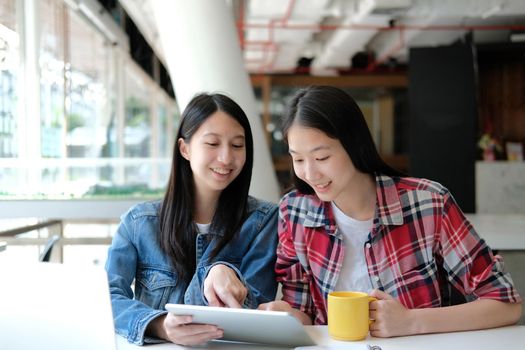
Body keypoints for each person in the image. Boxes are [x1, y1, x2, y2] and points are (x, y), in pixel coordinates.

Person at [259, 85, 522, 337]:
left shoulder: (428, 203)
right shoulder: (294, 212)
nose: (310, 173)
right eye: (298, 159)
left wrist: (411, 321)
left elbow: (505, 303)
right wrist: (289, 317)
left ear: (354, 144)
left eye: (321, 158)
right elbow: (305, 313)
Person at [106, 93, 278, 346]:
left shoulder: (263, 222)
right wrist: (161, 325)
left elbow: (256, 306)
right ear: (184, 149)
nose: (226, 158)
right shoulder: (138, 223)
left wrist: (221, 271)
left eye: (237, 145)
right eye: (212, 143)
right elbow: (107, 297)